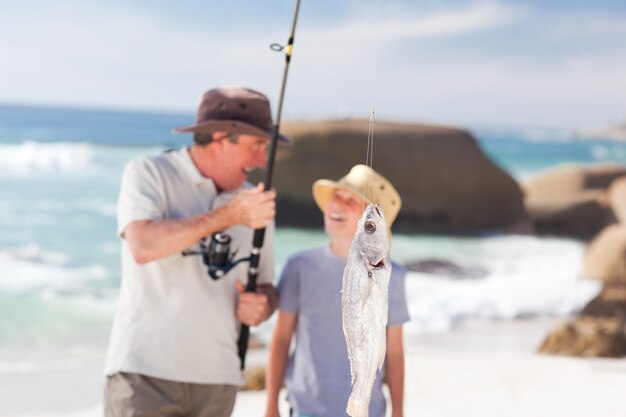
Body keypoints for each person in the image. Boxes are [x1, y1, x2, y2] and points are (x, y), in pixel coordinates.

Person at [104, 87, 290, 417]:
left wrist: (262, 306)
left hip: (218, 380)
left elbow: (265, 287)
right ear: (220, 137)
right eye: (257, 146)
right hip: (144, 375)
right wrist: (228, 216)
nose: (262, 160)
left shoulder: (256, 204)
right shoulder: (149, 172)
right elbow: (143, 246)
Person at [265, 164, 410, 417]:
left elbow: (394, 351)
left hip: (369, 409)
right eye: (336, 195)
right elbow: (281, 337)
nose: (337, 204)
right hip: (305, 407)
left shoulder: (392, 276)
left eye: (351, 200)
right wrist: (270, 405)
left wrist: (398, 412)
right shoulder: (299, 266)